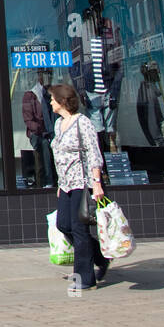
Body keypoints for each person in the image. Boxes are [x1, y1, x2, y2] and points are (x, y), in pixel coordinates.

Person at [49, 83, 109, 293]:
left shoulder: (82, 123)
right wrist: (59, 182)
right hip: (65, 184)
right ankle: (100, 255)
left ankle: (85, 278)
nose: (50, 102)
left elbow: (93, 152)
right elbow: (59, 156)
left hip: (82, 183)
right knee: (63, 224)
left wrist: (97, 182)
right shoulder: (59, 124)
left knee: (79, 228)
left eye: (53, 99)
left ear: (63, 101)